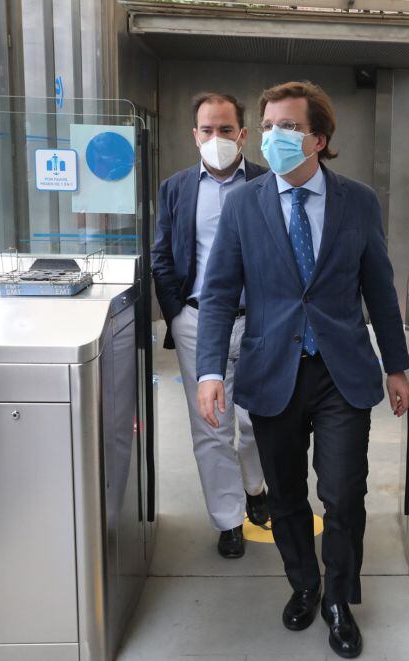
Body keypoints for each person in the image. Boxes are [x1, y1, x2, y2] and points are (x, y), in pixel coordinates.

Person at [196, 81, 409, 659]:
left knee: (343, 493)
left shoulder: (358, 201)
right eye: (266, 125)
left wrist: (398, 365)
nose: (271, 137)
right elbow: (218, 294)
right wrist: (209, 370)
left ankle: (339, 598)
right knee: (287, 496)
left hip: (342, 371)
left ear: (318, 138)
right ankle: (305, 584)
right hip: (273, 370)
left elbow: (380, 291)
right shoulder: (244, 203)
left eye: (286, 127)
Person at [152, 92, 270, 559]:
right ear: (194, 135)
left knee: (259, 417)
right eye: (207, 130)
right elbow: (162, 255)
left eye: (226, 129)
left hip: (260, 323)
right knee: (212, 425)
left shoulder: (268, 182)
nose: (216, 138)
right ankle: (227, 517)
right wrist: (176, 312)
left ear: (243, 134)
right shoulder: (176, 188)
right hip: (198, 322)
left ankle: (256, 486)